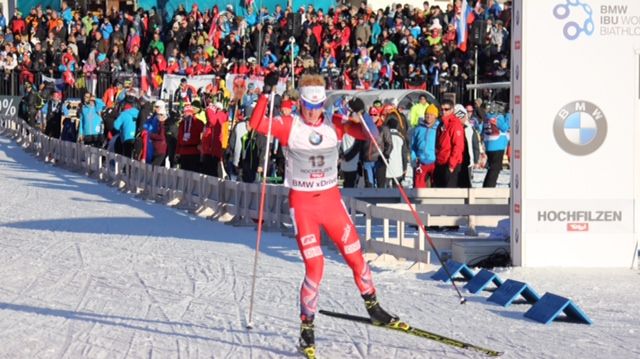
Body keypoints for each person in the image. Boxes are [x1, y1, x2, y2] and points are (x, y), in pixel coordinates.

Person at [249, 73, 399, 357]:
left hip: (331, 202)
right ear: (300, 102)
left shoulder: (335, 124)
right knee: (315, 267)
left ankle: (374, 308)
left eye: (317, 106)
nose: (313, 111)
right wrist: (267, 93)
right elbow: (256, 124)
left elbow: (372, 136)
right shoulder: (289, 125)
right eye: (307, 104)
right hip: (304, 205)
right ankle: (307, 328)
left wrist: (361, 112)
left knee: (356, 257)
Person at [434, 99, 464, 188]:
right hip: (441, 161)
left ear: (452, 110)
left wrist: (452, 164)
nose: (443, 112)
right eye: (441, 109)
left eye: (446, 109)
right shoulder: (441, 124)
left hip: (450, 164)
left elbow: (458, 146)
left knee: (449, 192)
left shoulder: (455, 124)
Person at [411, 104, 439, 188]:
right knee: (419, 186)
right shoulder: (418, 129)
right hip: (421, 161)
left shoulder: (439, 128)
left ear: (435, 116)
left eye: (431, 114)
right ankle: (418, 200)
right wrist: (414, 157)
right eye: (427, 114)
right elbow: (413, 145)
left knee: (436, 185)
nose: (428, 116)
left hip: (435, 161)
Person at [454, 104, 481, 188]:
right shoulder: (469, 128)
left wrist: (476, 159)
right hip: (461, 160)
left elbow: (475, 144)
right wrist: (476, 159)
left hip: (464, 160)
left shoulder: (469, 128)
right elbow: (475, 144)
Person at [176, 105, 204, 172]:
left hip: (194, 152)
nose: (185, 114)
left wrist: (202, 149)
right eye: (184, 112)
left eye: (187, 112)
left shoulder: (198, 122)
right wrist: (177, 152)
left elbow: (203, 137)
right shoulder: (182, 123)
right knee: (184, 174)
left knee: (193, 174)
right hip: (183, 152)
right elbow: (179, 138)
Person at [385, 117, 409, 187]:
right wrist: (405, 167)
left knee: (384, 191)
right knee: (397, 189)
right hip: (398, 168)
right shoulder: (401, 137)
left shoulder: (384, 136)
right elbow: (404, 154)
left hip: (386, 167)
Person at [143, 100, 168, 166]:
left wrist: (150, 135)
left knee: (156, 167)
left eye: (157, 107)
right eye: (155, 107)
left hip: (160, 146)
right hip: (153, 144)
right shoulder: (154, 117)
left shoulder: (162, 119)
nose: (155, 108)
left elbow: (161, 135)